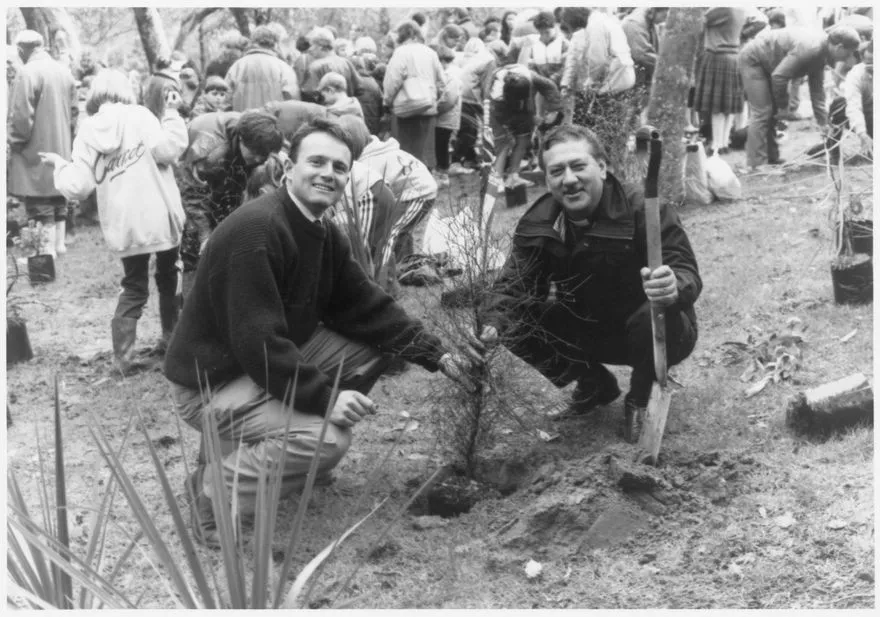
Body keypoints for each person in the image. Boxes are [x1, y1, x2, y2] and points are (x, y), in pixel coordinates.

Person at [163, 118, 474, 547]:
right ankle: (211, 493)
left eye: (340, 167)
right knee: (328, 439)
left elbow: (364, 304)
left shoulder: (322, 230)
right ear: (287, 168)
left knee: (373, 349)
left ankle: (278, 445)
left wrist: (438, 355)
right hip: (209, 384)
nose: (328, 173)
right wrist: (327, 400)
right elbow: (258, 341)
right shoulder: (257, 231)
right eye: (316, 161)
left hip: (252, 364)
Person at [476, 124, 701, 437]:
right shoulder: (540, 223)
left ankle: (641, 393)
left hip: (656, 329)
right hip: (590, 328)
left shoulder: (643, 210)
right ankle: (593, 383)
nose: (568, 180)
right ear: (547, 179)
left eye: (578, 166)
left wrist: (673, 284)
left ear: (603, 168)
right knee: (512, 318)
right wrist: (493, 322)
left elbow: (686, 269)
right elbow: (514, 286)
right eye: (557, 171)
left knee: (652, 313)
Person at [39, 69, 188, 372]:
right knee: (168, 273)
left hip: (124, 221)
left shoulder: (88, 130)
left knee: (133, 284)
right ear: (125, 91)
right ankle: (171, 341)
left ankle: (124, 358)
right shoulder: (142, 116)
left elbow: (79, 187)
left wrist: (60, 166)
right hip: (158, 212)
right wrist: (171, 114)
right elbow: (167, 150)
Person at [177, 110, 284, 285]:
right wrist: (205, 237)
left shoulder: (260, 135)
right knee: (195, 247)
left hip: (230, 167)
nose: (259, 159)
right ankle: (191, 301)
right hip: (194, 179)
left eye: (263, 155)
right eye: (255, 153)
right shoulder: (209, 154)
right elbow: (192, 198)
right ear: (241, 140)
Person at [737, 25, 860, 171]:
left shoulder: (822, 53)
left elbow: (817, 91)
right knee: (763, 112)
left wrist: (823, 122)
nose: (847, 58)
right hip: (753, 60)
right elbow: (779, 77)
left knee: (771, 112)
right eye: (848, 53)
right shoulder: (812, 48)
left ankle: (772, 158)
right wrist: (783, 107)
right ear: (839, 47)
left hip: (769, 66)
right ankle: (756, 164)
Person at [7, 30, 77, 259]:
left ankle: (45, 251)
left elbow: (20, 117)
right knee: (58, 196)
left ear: (21, 50)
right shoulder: (64, 71)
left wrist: (14, 141)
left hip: (36, 146)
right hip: (62, 145)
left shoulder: (27, 73)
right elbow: (75, 113)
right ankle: (59, 245)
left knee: (39, 199)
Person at [560, 7, 636, 175]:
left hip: (611, 87)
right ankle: (612, 171)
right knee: (613, 133)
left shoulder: (595, 27)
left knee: (604, 134)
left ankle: (608, 174)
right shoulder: (605, 21)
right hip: (620, 84)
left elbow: (598, 60)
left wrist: (591, 83)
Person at [488, 44, 561, 189]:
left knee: (523, 140)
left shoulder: (530, 76)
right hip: (500, 112)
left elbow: (550, 87)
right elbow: (494, 109)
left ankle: (513, 177)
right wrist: (505, 128)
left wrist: (553, 110)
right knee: (502, 144)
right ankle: (496, 182)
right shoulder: (496, 90)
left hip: (525, 112)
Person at [383, 20, 446, 169]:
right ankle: (427, 184)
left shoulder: (400, 53)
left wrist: (387, 103)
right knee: (426, 152)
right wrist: (433, 99)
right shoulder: (431, 53)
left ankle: (407, 186)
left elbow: (392, 82)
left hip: (404, 111)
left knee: (405, 153)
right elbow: (442, 83)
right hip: (428, 108)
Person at [692, 8, 747, 155]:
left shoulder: (721, 7)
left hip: (718, 56)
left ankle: (716, 145)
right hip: (733, 56)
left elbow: (697, 23)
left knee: (717, 107)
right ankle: (723, 144)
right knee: (728, 108)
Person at [225, 25, 300, 112]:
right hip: (273, 123)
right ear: (275, 44)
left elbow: (225, 99)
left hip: (242, 122)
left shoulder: (236, 67)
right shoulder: (284, 68)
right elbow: (293, 101)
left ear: (252, 42)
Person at [824, 39, 873, 163]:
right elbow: (854, 106)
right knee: (839, 105)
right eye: (868, 63)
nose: (870, 67)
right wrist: (862, 134)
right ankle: (833, 152)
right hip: (861, 112)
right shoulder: (856, 74)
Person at [621, 7, 669, 121]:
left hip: (640, 73)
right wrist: (664, 66)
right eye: (664, 16)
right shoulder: (635, 23)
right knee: (630, 110)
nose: (664, 20)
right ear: (655, 10)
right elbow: (641, 54)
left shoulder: (648, 20)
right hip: (632, 74)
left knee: (638, 108)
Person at [433, 44, 462, 188]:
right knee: (439, 145)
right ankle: (439, 172)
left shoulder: (451, 76)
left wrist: (434, 109)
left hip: (445, 118)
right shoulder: (443, 75)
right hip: (441, 118)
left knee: (442, 145)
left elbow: (449, 100)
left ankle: (443, 174)